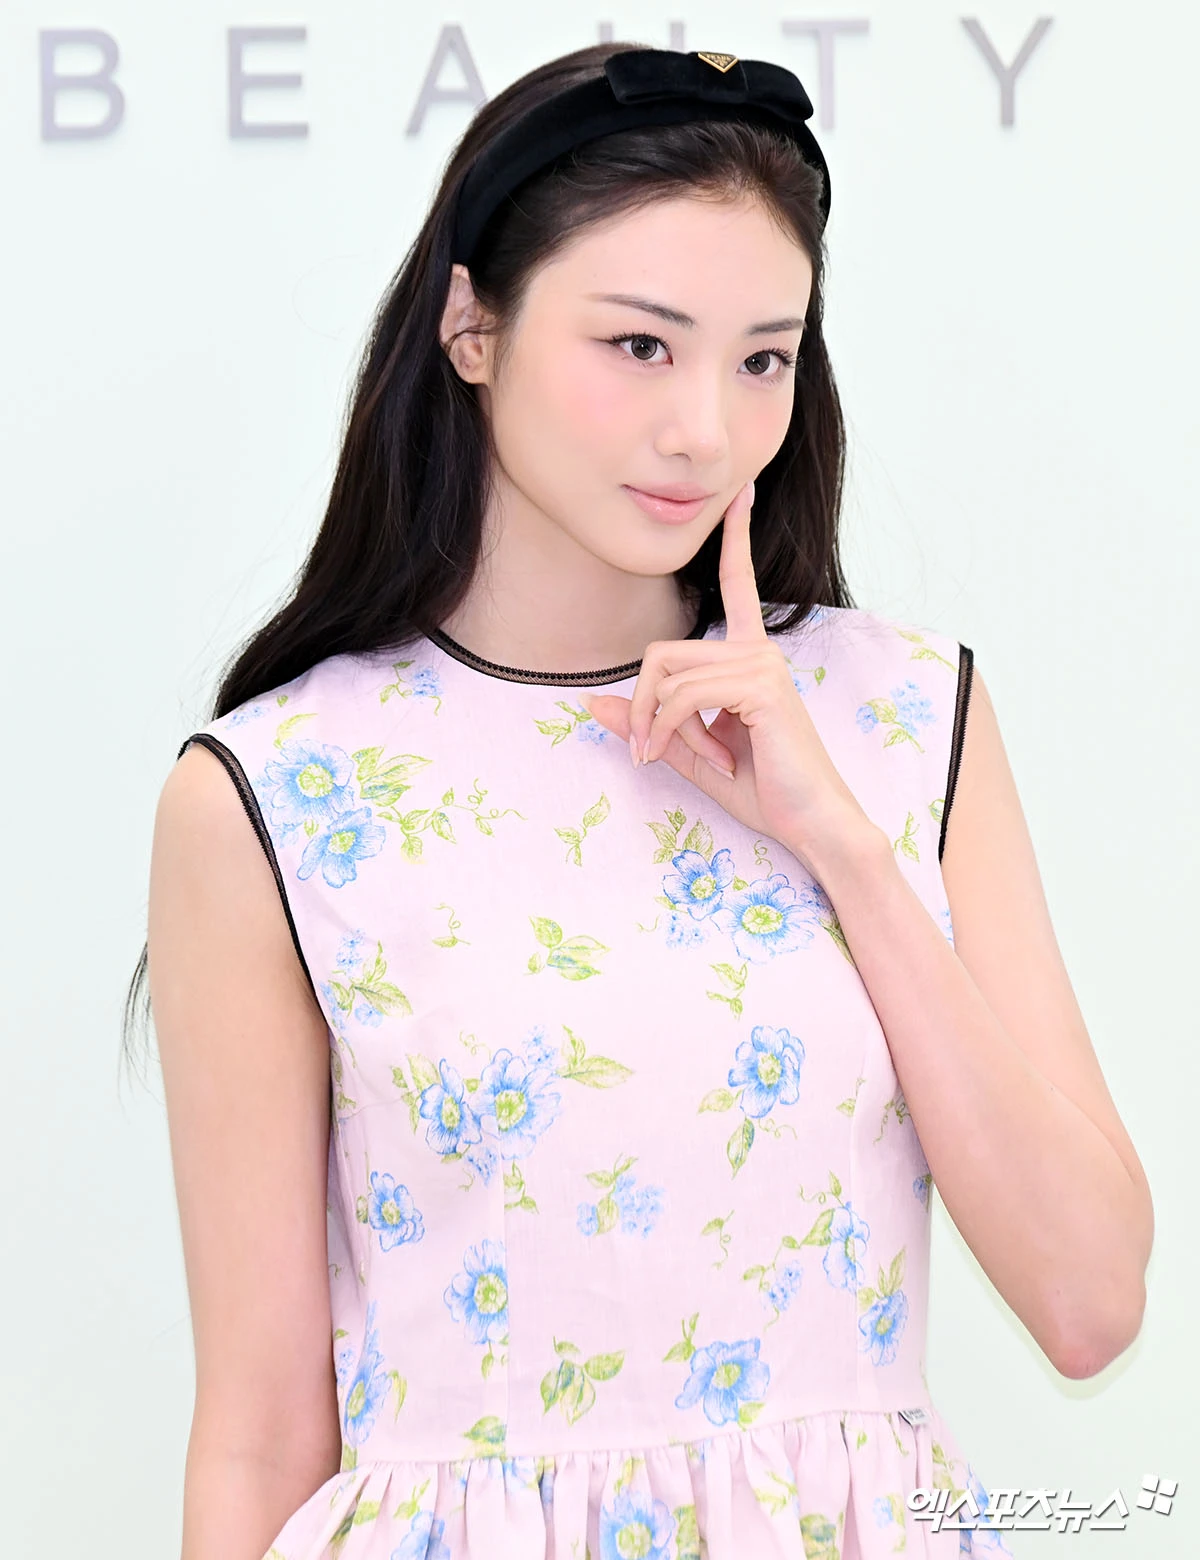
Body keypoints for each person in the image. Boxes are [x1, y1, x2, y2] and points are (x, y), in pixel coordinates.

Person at [133, 41, 1153, 1560]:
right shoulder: (278, 790)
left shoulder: (901, 714)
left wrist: (838, 843)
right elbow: (263, 1434)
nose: (706, 432)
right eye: (638, 345)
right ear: (471, 325)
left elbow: (1090, 1304)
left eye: (762, 359)